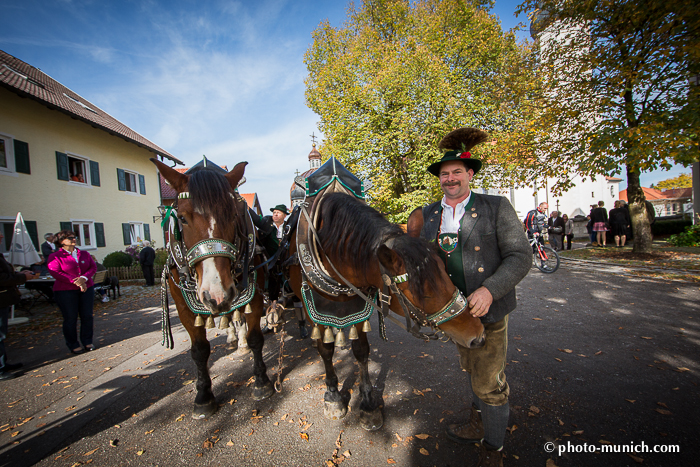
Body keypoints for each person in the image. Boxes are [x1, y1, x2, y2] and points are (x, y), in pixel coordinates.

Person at [420, 127, 531, 467]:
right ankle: (476, 424)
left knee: (489, 384)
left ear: (470, 174)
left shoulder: (496, 206)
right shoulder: (428, 216)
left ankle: (493, 449)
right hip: (453, 312)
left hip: (490, 310)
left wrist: (489, 289)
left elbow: (520, 256)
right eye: (444, 173)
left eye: (456, 172)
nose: (450, 178)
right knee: (471, 368)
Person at [48, 230, 97, 354]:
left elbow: (93, 267)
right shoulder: (55, 256)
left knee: (87, 316)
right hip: (66, 291)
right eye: (69, 238)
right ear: (61, 242)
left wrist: (84, 278)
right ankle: (73, 344)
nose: (73, 239)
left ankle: (87, 341)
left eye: (74, 237)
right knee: (70, 318)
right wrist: (75, 281)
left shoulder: (84, 254)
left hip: (87, 288)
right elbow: (55, 272)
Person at [1, 231, 39, 380]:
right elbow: (2, 278)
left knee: (1, 334)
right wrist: (22, 277)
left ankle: (2, 363)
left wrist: (19, 273)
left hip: (4, 300)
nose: (2, 236)